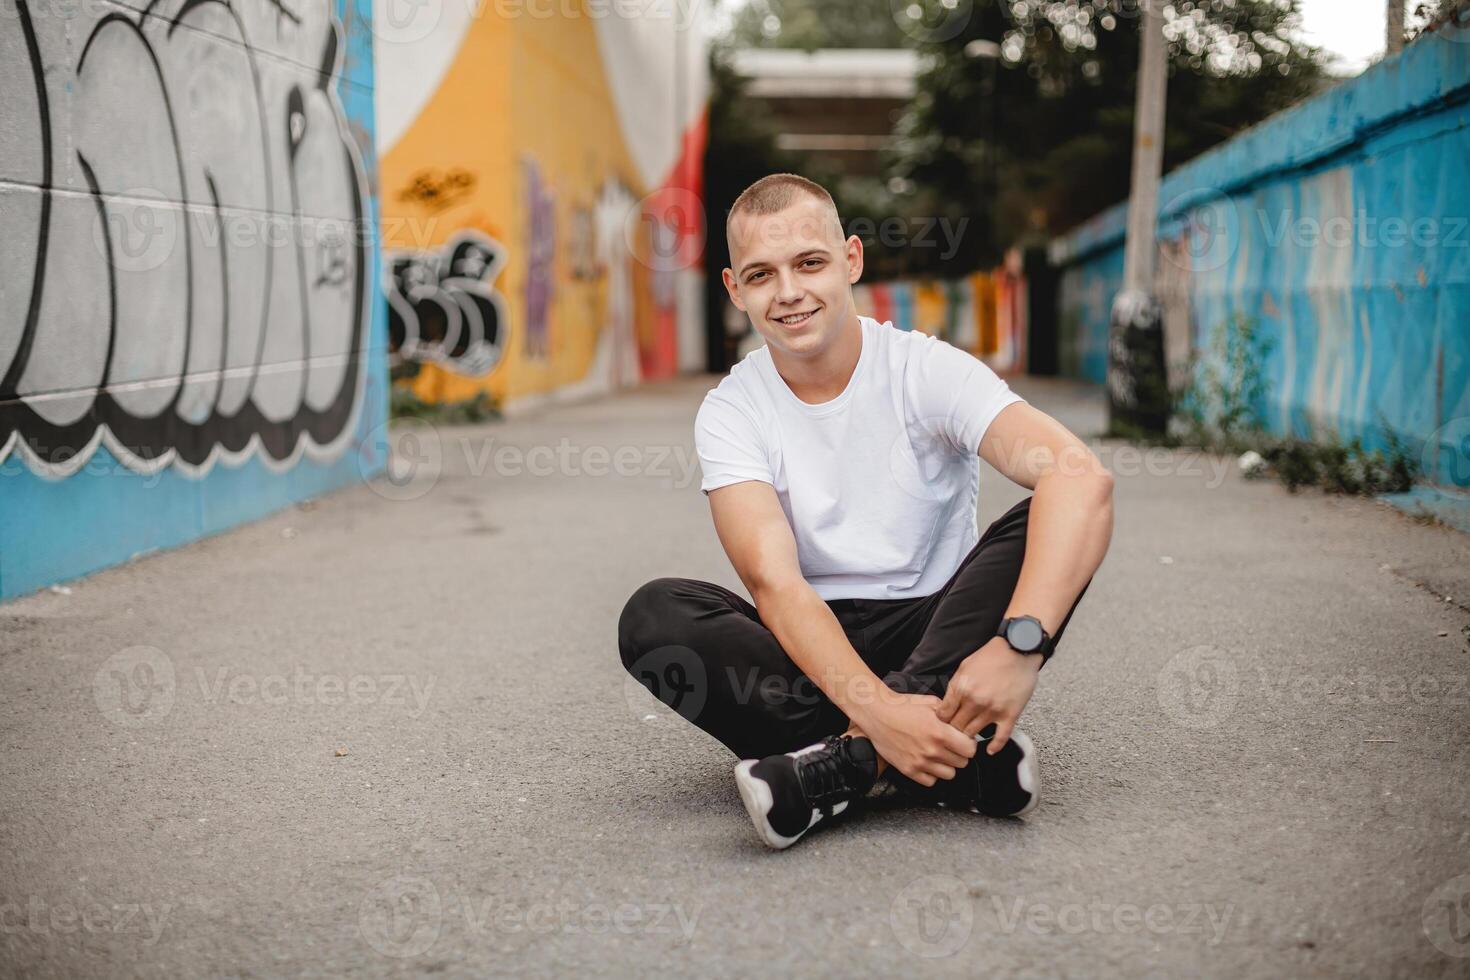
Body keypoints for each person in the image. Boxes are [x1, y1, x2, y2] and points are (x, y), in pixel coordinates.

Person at [618, 174, 1114, 850]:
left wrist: (1018, 647)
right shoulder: (733, 409)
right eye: (761, 275)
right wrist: (877, 707)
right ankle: (944, 762)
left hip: (939, 627)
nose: (789, 292)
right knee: (657, 616)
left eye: (810, 263)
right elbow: (776, 585)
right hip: (815, 650)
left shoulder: (925, 370)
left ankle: (843, 767)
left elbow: (1080, 475)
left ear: (851, 259)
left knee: (1054, 517)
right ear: (735, 291)